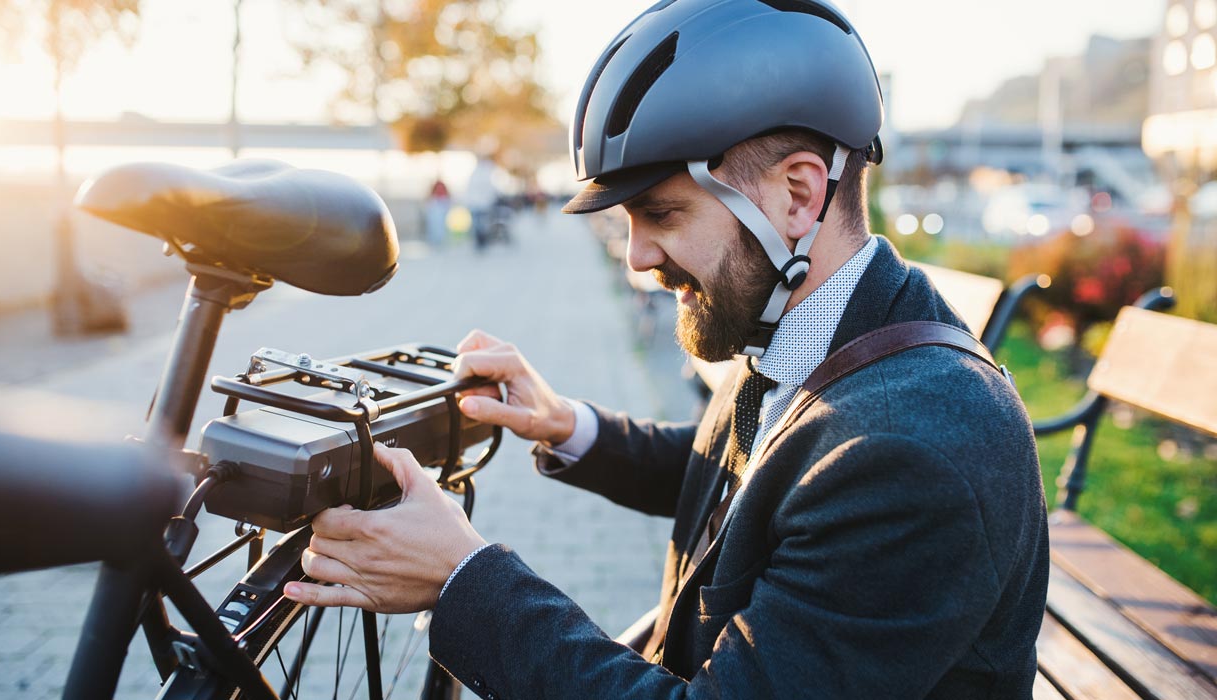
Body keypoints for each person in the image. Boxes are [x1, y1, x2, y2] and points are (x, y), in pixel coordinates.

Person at [283, 1, 1049, 697]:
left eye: (661, 214)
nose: (637, 259)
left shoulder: (916, 451)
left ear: (797, 196)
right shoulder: (828, 335)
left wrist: (463, 577)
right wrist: (567, 425)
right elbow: (754, 478)